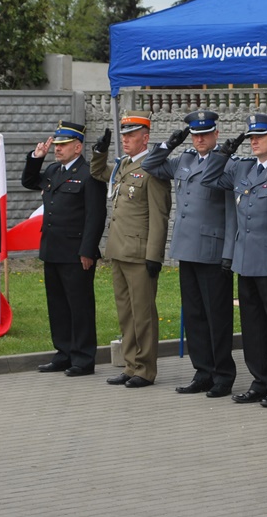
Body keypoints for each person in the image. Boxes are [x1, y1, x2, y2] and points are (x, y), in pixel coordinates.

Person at [201, 113, 267, 408]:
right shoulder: (242, 168)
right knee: (253, 327)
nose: (253, 142)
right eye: (251, 137)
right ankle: (260, 381)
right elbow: (208, 178)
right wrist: (223, 153)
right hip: (245, 260)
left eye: (259, 137)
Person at [143, 110, 237, 398]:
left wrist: (229, 253)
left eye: (205, 134)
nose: (200, 139)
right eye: (195, 135)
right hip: (187, 248)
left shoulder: (226, 163)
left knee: (217, 316)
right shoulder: (184, 160)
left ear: (216, 134)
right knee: (194, 315)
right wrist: (168, 144)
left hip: (213, 251)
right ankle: (203, 372)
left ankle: (223, 375)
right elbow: (150, 164)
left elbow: (232, 213)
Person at [90, 111, 172, 388]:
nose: (125, 140)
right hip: (119, 249)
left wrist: (154, 255)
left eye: (131, 135)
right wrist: (100, 151)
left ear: (145, 138)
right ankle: (130, 364)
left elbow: (159, 215)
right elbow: (98, 172)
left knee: (143, 313)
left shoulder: (153, 168)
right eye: (123, 135)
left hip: (139, 252)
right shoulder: (124, 164)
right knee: (125, 312)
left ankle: (145, 369)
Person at [21, 121, 107, 377]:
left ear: (77, 147)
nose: (57, 149)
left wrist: (87, 251)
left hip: (76, 252)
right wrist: (36, 158)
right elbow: (29, 181)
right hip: (52, 249)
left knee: (79, 306)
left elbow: (95, 216)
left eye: (64, 145)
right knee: (57, 306)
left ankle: (83, 358)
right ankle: (63, 353)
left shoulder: (89, 174)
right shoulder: (53, 170)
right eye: (56, 145)